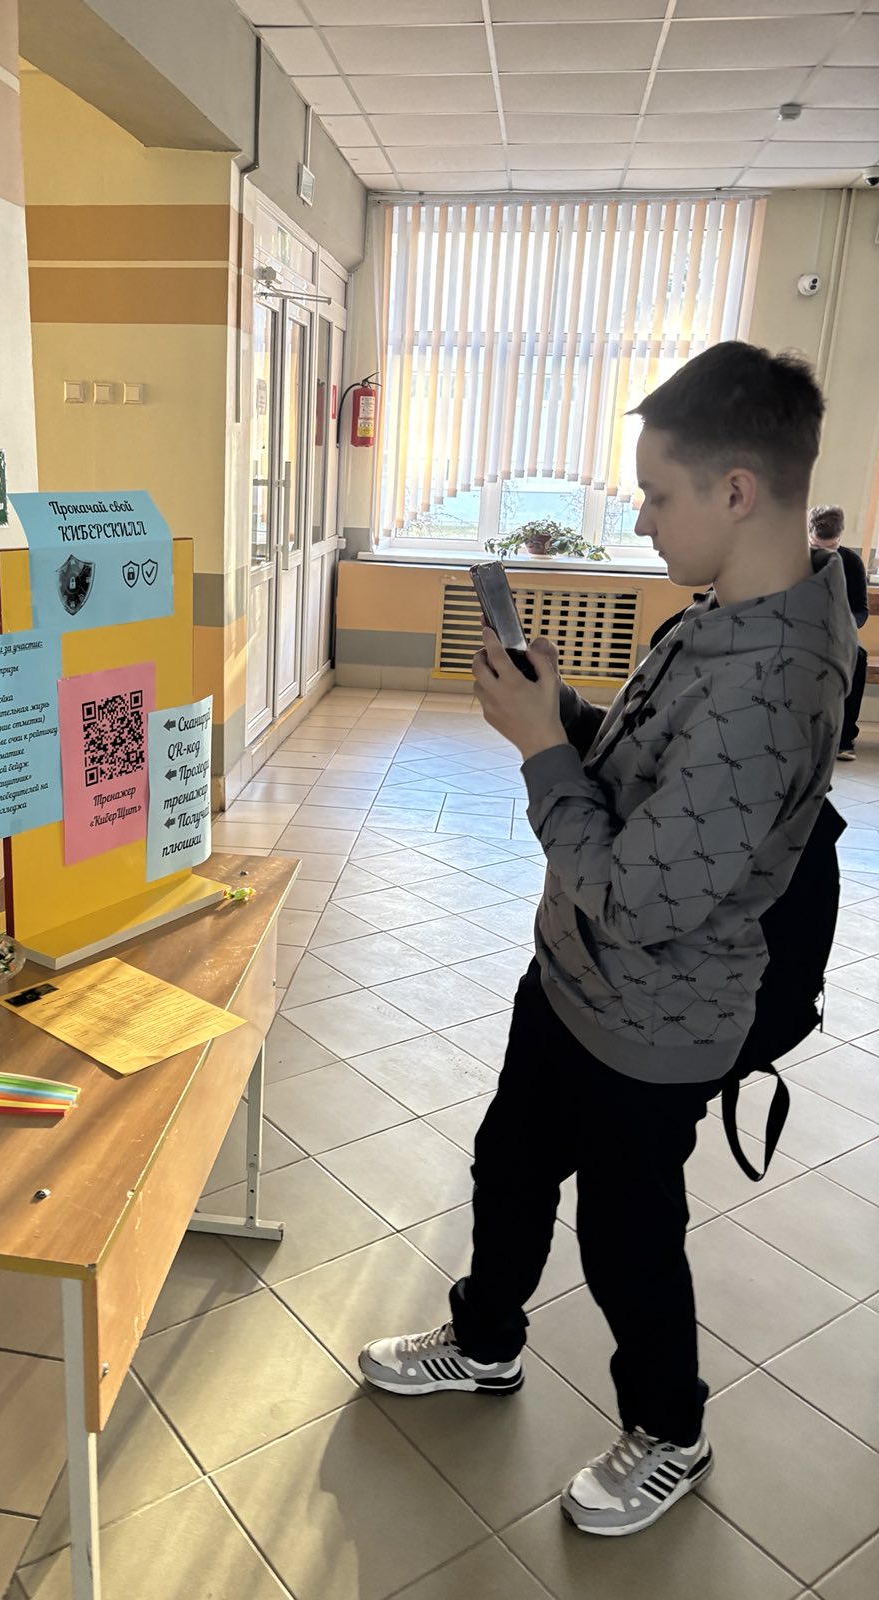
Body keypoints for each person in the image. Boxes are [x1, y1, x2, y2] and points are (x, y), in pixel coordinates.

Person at [357, 342, 856, 1537]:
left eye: (656, 493)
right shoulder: (728, 613)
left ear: (737, 489)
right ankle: (484, 1340)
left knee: (630, 1239)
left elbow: (637, 895)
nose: (638, 518)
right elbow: (644, 773)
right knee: (510, 1164)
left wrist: (539, 748)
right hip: (574, 981)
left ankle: (671, 1430)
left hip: (654, 1021)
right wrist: (565, 710)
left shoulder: (774, 682)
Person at [808, 504, 868, 758]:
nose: (825, 554)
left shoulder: (851, 562)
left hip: (838, 634)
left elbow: (860, 609)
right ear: (808, 536)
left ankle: (844, 738)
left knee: (858, 658)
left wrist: (845, 625)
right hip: (797, 630)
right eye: (817, 548)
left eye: (831, 548)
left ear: (840, 538)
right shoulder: (791, 558)